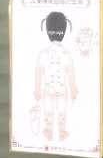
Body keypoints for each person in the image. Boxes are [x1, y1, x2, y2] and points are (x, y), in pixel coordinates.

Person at [33, 11, 78, 144]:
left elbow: (38, 73)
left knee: (51, 110)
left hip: (49, 88)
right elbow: (70, 74)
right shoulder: (66, 54)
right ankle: (57, 131)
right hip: (60, 88)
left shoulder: (43, 54)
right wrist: (73, 89)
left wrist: (37, 89)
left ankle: (51, 130)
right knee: (58, 110)